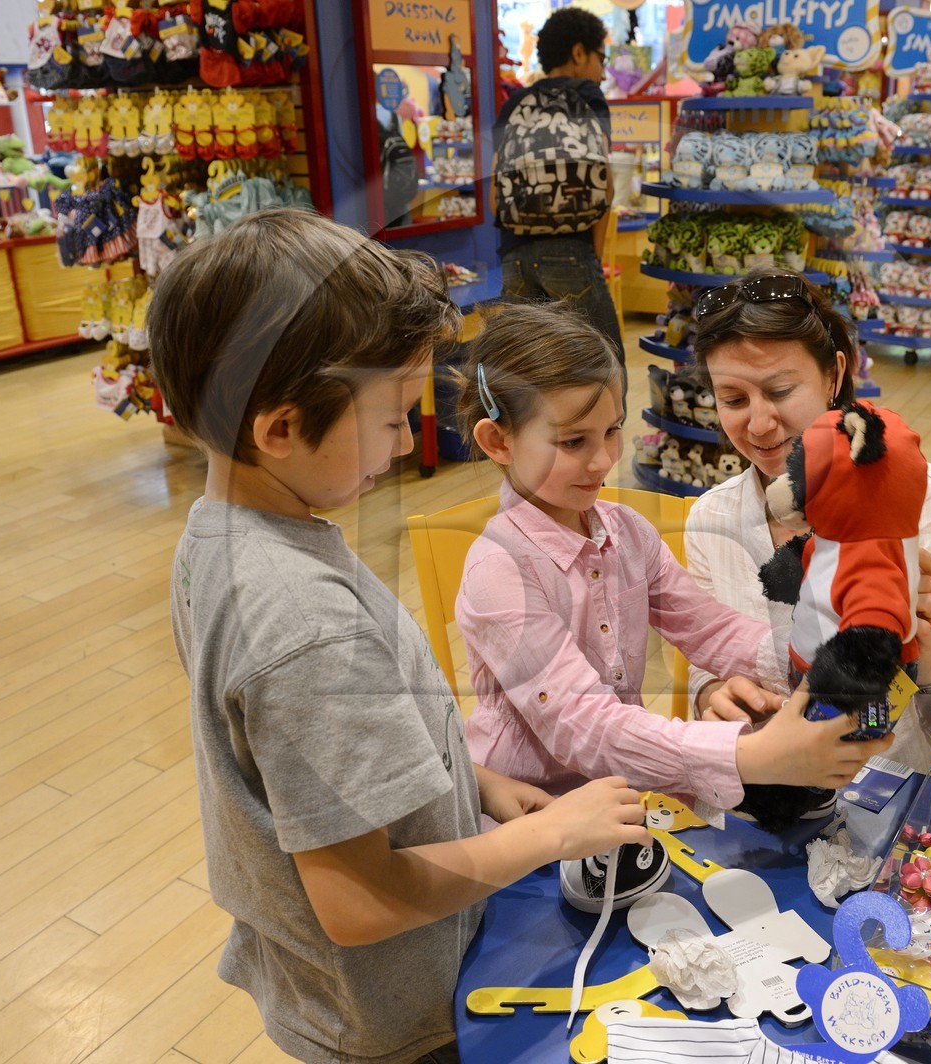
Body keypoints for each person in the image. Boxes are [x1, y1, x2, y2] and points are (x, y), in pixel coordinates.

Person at [149, 210, 651, 1064]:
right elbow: (359, 902)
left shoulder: (224, 533)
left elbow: (306, 765)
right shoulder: (303, 623)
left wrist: (475, 781)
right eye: (390, 420)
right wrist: (547, 836)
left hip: (351, 980)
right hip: (393, 1014)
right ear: (278, 428)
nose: (409, 439)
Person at [452, 302, 890, 821]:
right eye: (573, 442)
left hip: (619, 796)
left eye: (612, 431)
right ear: (496, 441)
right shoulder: (498, 572)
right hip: (527, 816)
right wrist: (749, 755)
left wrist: (829, 659)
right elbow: (583, 724)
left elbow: (712, 630)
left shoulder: (628, 534)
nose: (603, 460)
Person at [685, 268, 931, 775]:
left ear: (835, 375)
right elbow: (704, 670)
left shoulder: (926, 500)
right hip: (768, 793)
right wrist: (712, 698)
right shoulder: (714, 517)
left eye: (781, 391)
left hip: (898, 796)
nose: (760, 424)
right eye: (734, 400)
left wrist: (928, 657)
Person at [492, 7, 623, 353]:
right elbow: (603, 184)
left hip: (514, 254)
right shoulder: (587, 96)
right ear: (579, 53)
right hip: (571, 249)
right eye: (600, 58)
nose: (602, 71)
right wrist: (590, 257)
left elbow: (495, 188)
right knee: (604, 365)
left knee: (528, 371)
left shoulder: (515, 102)